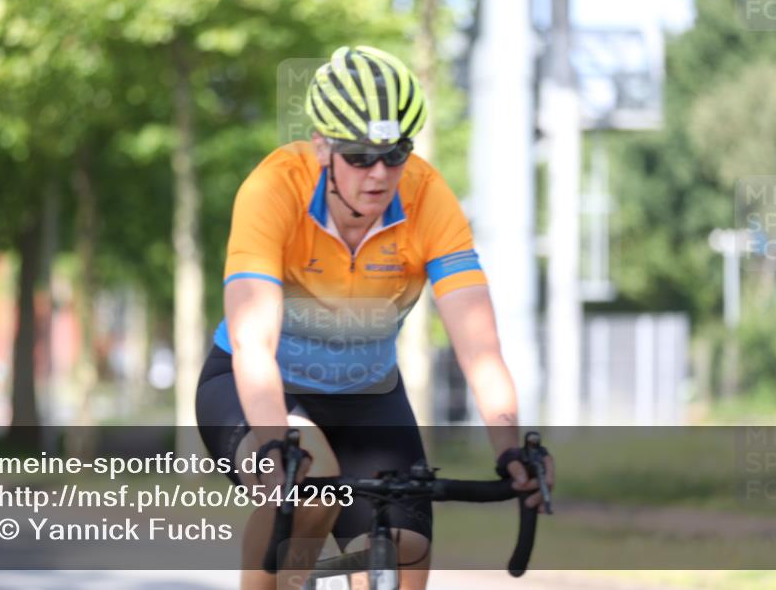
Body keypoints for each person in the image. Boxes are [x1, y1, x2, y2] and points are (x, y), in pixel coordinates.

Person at [196, 45, 554, 590]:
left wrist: (510, 449)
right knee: (311, 483)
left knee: (404, 549)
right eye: (360, 156)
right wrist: (274, 443)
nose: (380, 174)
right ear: (322, 147)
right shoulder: (274, 189)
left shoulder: (428, 199)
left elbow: (479, 346)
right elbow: (253, 341)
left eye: (395, 154)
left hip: (368, 397)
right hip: (258, 388)